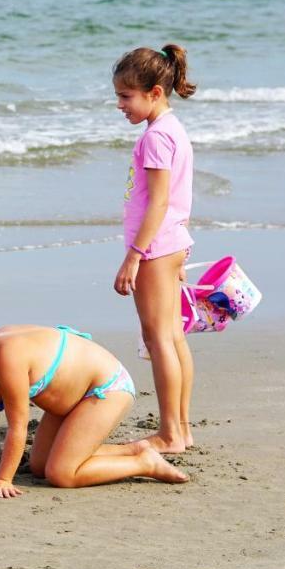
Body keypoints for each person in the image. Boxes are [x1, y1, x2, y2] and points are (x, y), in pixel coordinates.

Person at [0, 320, 188, 498]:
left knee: (61, 474)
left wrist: (3, 478)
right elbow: (22, 372)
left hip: (106, 391)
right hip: (72, 401)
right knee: (40, 465)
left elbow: (18, 429)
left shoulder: (10, 362)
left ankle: (145, 463)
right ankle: (133, 449)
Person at [112, 44, 198, 454]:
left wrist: (134, 255)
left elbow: (159, 202)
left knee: (159, 339)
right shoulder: (171, 129)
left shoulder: (156, 138)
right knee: (173, 337)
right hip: (171, 243)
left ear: (155, 93)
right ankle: (180, 428)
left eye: (126, 96)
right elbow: (178, 199)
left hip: (156, 247)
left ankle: (169, 434)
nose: (120, 105)